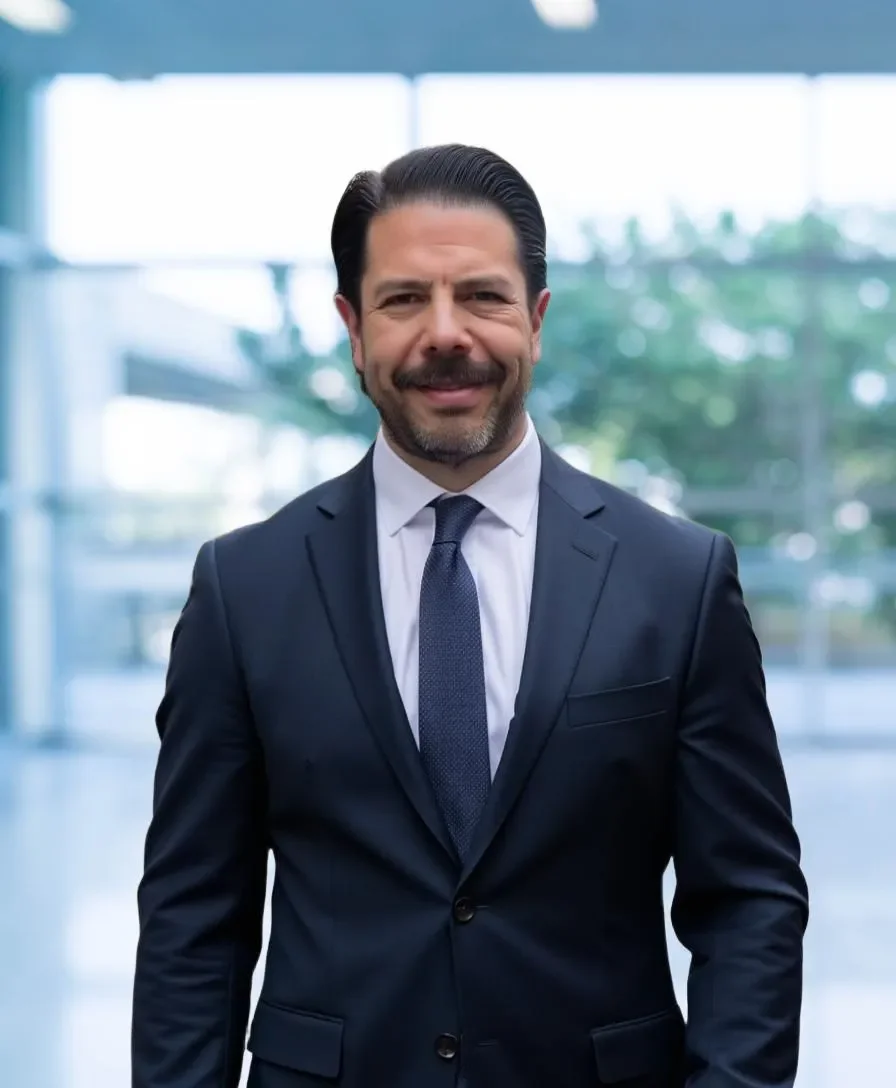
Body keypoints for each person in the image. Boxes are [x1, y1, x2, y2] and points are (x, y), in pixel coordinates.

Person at [131, 143, 809, 1088]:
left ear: (536, 319)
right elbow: (193, 919)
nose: (445, 334)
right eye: (404, 299)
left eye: (483, 297)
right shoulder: (244, 587)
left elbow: (748, 900)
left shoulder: (678, 579)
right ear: (353, 328)